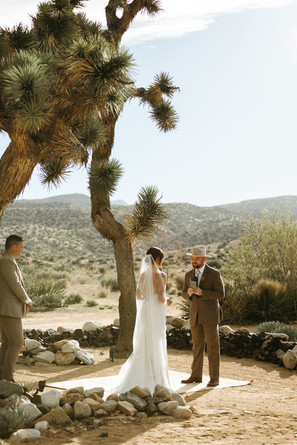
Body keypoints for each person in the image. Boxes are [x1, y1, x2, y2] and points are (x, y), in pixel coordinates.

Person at [115, 246, 172, 394]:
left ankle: (142, 373)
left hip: (146, 310)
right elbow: (160, 297)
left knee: (145, 339)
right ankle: (156, 376)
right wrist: (168, 301)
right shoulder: (161, 275)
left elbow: (139, 296)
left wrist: (148, 298)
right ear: (158, 259)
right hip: (156, 310)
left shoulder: (143, 275)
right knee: (157, 340)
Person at [181, 246, 224, 387]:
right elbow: (182, 294)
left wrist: (202, 293)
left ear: (204, 259)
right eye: (192, 258)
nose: (194, 261)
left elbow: (220, 294)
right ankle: (196, 376)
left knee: (213, 347)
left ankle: (214, 378)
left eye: (197, 258)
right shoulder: (188, 274)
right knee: (197, 347)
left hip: (210, 316)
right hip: (195, 316)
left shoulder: (214, 273)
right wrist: (188, 293)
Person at [0, 235, 32, 381]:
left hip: (6, 309)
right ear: (13, 247)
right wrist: (26, 298)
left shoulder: (8, 260)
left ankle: (3, 374)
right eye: (20, 247)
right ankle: (7, 376)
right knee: (17, 342)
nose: (22, 250)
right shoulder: (6, 261)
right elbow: (15, 284)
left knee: (7, 342)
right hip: (9, 310)